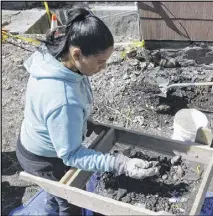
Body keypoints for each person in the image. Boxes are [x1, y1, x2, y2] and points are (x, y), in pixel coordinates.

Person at [16, 8, 159, 215]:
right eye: (100, 62)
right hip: (44, 159)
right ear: (76, 54)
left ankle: (50, 207)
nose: (104, 67)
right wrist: (121, 163)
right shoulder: (62, 99)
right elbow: (71, 155)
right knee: (70, 201)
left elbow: (59, 117)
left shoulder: (57, 59)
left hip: (36, 143)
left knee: (53, 192)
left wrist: (86, 124)